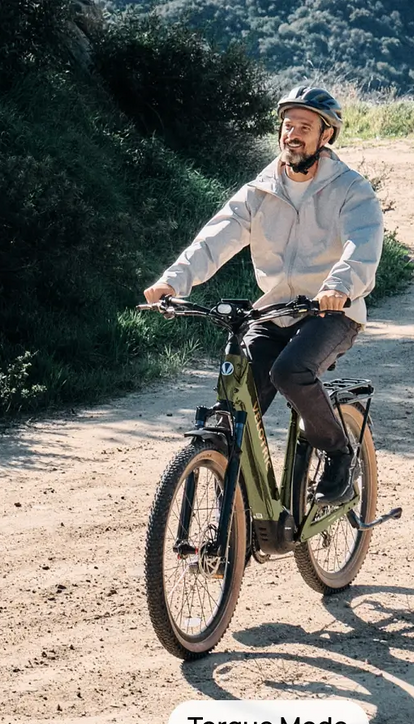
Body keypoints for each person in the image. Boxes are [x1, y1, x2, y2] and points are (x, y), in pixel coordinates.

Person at [143, 85, 382, 506]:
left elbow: (362, 245)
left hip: (332, 311)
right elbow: (213, 240)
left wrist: (339, 286)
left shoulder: (351, 190)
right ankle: (234, 498)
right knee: (236, 395)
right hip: (274, 310)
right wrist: (173, 281)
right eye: (288, 125)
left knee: (290, 372)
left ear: (326, 136)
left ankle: (340, 453)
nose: (292, 134)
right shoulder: (260, 189)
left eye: (304, 127)